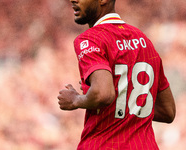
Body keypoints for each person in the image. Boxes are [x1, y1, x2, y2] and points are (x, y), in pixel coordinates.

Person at [58, 0, 176, 149]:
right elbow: (167, 111)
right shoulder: (145, 41)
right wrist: (122, 102)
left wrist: (76, 100)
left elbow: (103, 94)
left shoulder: (90, 39)